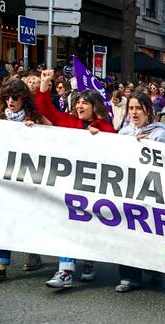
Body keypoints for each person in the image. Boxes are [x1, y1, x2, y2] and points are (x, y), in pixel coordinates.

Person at [36, 68, 115, 289]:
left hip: (93, 187)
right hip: (68, 185)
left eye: (85, 103)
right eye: (77, 102)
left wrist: (98, 132)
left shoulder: (105, 128)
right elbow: (46, 110)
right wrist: (44, 85)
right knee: (66, 223)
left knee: (88, 225)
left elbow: (115, 146)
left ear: (95, 107)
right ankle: (65, 271)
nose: (79, 106)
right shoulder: (68, 123)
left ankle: (88, 260)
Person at [0, 79, 48, 281]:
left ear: (24, 98)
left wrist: (38, 130)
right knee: (1, 218)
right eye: (6, 97)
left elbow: (53, 138)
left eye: (15, 97)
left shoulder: (36, 118)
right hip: (4, 179)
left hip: (30, 179)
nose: (10, 101)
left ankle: (33, 252)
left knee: (29, 217)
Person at [114, 92, 165, 292]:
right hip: (128, 189)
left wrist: (149, 146)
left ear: (148, 110)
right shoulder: (123, 134)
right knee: (126, 230)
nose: (134, 112)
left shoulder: (159, 134)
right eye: (131, 108)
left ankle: (153, 267)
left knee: (147, 232)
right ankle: (129, 276)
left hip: (151, 191)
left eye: (138, 108)